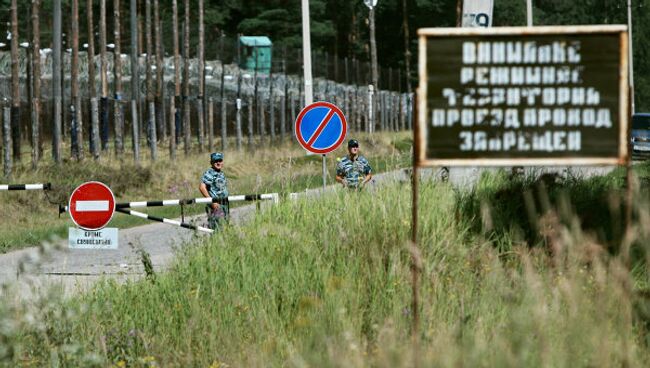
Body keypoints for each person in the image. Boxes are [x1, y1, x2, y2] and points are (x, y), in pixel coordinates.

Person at [199, 152, 230, 230]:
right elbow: (202, 187)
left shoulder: (220, 173)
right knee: (217, 228)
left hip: (224, 204)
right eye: (216, 161)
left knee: (225, 227)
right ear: (211, 162)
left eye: (220, 160)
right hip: (216, 205)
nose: (218, 162)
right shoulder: (210, 173)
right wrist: (212, 202)